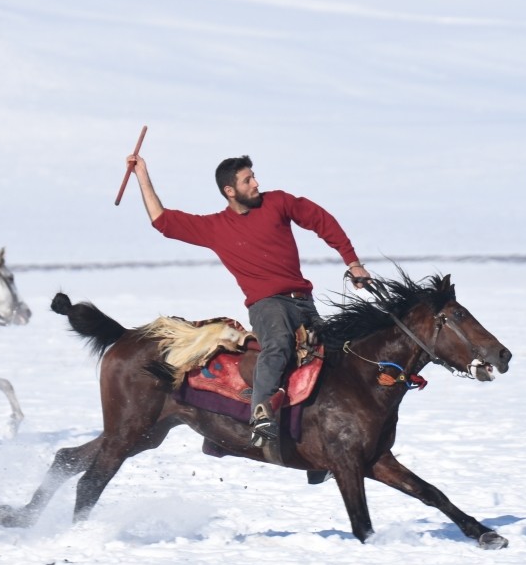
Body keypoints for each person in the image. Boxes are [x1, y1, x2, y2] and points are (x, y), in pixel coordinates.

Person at [129, 154, 370, 447]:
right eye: (248, 180)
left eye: (254, 176)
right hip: (268, 305)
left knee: (333, 356)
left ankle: (319, 438)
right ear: (229, 191)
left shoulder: (278, 202)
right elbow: (162, 221)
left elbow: (321, 220)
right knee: (278, 344)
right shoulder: (215, 227)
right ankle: (262, 415)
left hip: (304, 301)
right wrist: (142, 174)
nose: (256, 183)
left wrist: (353, 262)